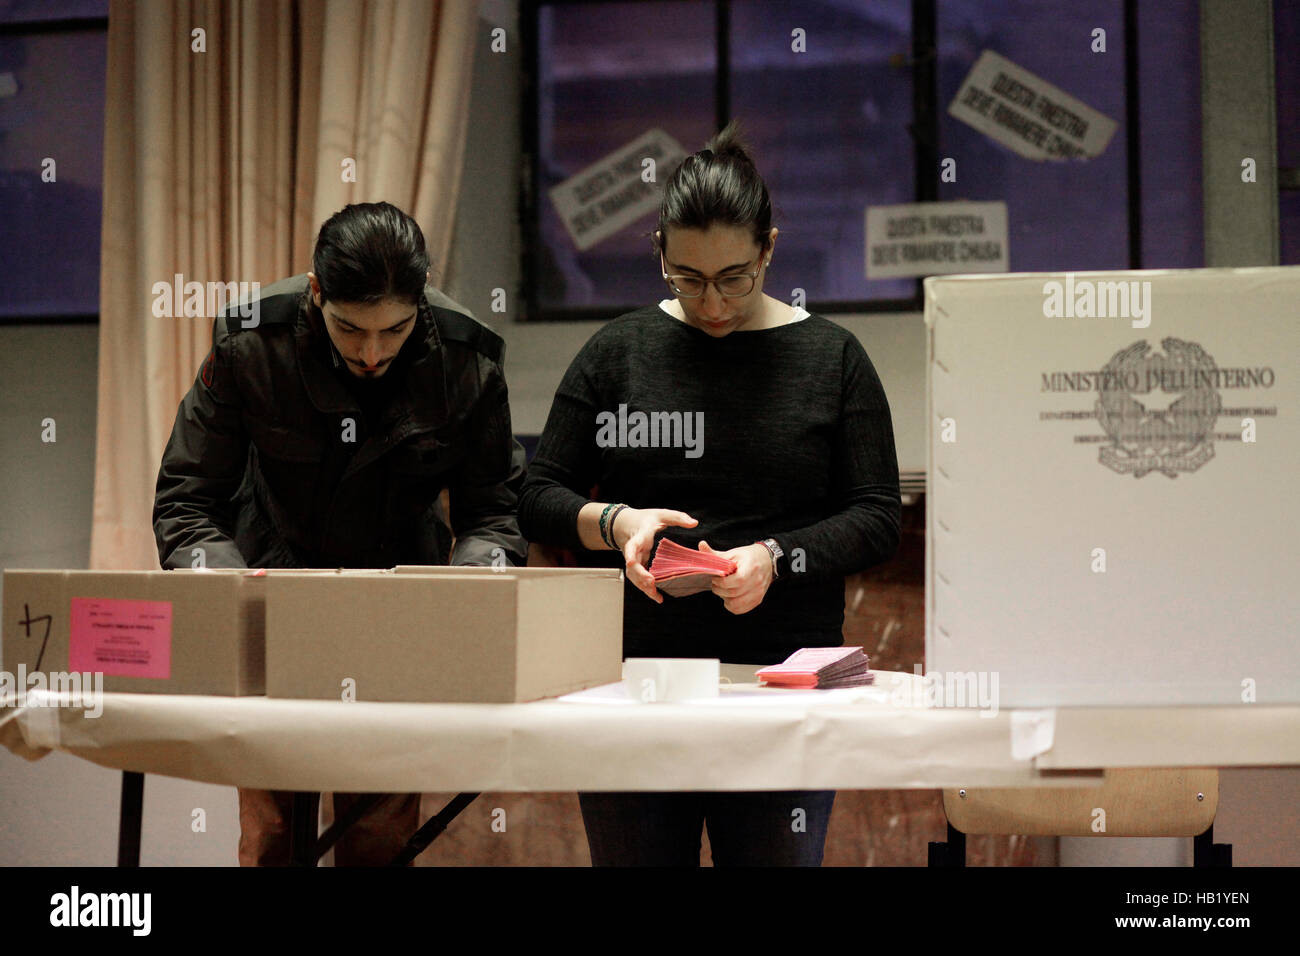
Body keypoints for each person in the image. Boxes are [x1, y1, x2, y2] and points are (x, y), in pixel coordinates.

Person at [517, 124, 902, 866]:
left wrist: (775, 556)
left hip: (784, 691)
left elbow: (876, 519)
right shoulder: (618, 353)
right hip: (633, 691)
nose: (714, 304)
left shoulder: (832, 360)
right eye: (687, 278)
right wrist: (616, 522)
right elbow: (537, 494)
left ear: (769, 250)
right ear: (660, 249)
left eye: (735, 277)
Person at [153, 201, 527, 865]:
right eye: (350, 330)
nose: (373, 353)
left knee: (379, 841)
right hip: (269, 596)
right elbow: (188, 500)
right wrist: (226, 590)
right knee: (272, 841)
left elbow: (494, 509)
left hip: (398, 606)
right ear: (316, 291)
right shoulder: (251, 342)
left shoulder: (468, 361)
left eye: (396, 330)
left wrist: (471, 590)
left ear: (423, 302)